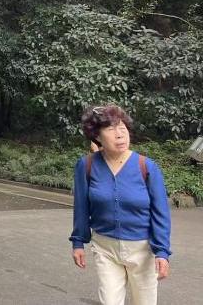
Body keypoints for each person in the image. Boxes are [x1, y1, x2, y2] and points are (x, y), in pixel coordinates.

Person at [70, 104, 171, 305]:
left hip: (142, 250)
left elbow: (160, 212)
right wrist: (78, 242)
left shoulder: (146, 166)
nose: (120, 134)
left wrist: (162, 251)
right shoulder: (87, 165)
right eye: (111, 129)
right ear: (97, 137)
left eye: (122, 128)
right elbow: (81, 206)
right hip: (105, 248)